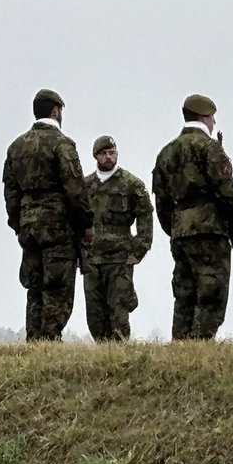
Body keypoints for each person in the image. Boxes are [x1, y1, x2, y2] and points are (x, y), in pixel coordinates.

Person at [151, 94, 233, 340]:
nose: (214, 122)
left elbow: (161, 201)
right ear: (205, 117)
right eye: (212, 117)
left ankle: (181, 349)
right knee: (211, 295)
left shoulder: (165, 153)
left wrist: (175, 227)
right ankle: (200, 348)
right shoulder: (209, 148)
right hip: (209, 231)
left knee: (184, 296)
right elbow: (225, 190)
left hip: (180, 232)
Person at [2, 88, 93, 341]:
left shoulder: (16, 147)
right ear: (55, 111)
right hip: (57, 225)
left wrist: (19, 223)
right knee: (58, 286)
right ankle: (50, 340)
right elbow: (75, 189)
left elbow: (10, 192)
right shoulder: (62, 144)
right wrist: (86, 223)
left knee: (35, 286)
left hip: (28, 226)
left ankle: (34, 340)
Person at [82, 135, 154, 341]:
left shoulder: (131, 184)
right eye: (104, 153)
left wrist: (140, 248)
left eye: (112, 153)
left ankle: (120, 351)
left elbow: (145, 215)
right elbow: (74, 217)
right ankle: (103, 352)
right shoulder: (85, 186)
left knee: (119, 308)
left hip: (120, 257)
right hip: (92, 257)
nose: (108, 157)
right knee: (95, 312)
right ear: (95, 156)